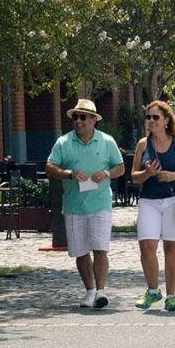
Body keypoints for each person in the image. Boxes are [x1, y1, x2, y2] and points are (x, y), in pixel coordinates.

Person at [46, 99, 126, 309]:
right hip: (74, 204)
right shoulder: (63, 142)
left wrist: (107, 173)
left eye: (83, 117)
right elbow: (50, 167)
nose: (78, 121)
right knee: (81, 252)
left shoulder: (106, 141)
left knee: (100, 248)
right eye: (75, 117)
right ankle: (89, 290)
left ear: (93, 120)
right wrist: (69, 174)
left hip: (100, 203)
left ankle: (100, 291)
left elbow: (120, 167)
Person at [132, 100, 175, 312]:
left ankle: (171, 296)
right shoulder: (143, 144)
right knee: (147, 245)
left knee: (172, 247)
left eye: (155, 117)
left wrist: (172, 176)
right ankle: (152, 291)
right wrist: (147, 173)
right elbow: (134, 177)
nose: (150, 121)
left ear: (166, 120)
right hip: (149, 200)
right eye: (148, 117)